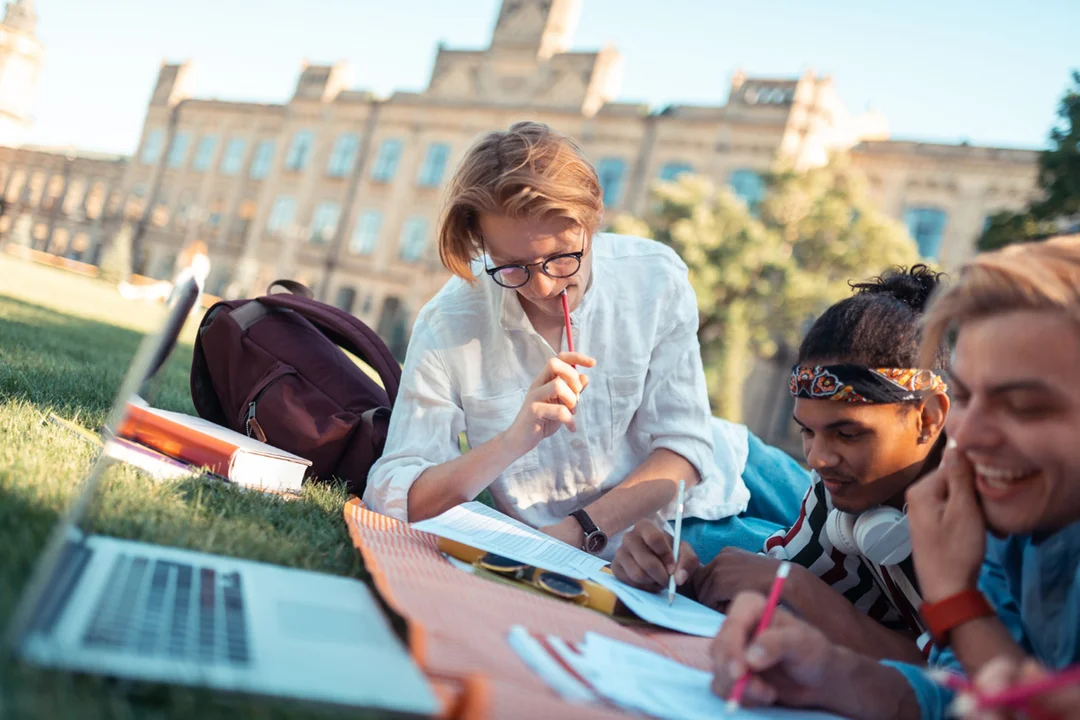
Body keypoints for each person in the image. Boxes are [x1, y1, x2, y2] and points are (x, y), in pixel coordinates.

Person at [364, 121, 788, 556]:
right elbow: (394, 494)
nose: (544, 287)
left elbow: (686, 446)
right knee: (821, 581)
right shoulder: (448, 321)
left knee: (850, 533)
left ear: (593, 218)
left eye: (562, 257)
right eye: (512, 267)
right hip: (663, 538)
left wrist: (573, 534)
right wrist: (514, 439)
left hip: (736, 465)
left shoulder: (654, 277)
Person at [708, 236, 1080, 720]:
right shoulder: (1007, 524)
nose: (966, 434)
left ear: (928, 417)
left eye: (1023, 406)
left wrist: (954, 600)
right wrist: (831, 672)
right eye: (967, 396)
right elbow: (966, 693)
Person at [612, 266, 950, 663]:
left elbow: (960, 680)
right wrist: (675, 577)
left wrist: (798, 588)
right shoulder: (838, 490)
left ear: (927, 419)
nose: (818, 458)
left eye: (849, 433)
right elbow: (768, 581)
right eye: (807, 431)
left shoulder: (989, 517)